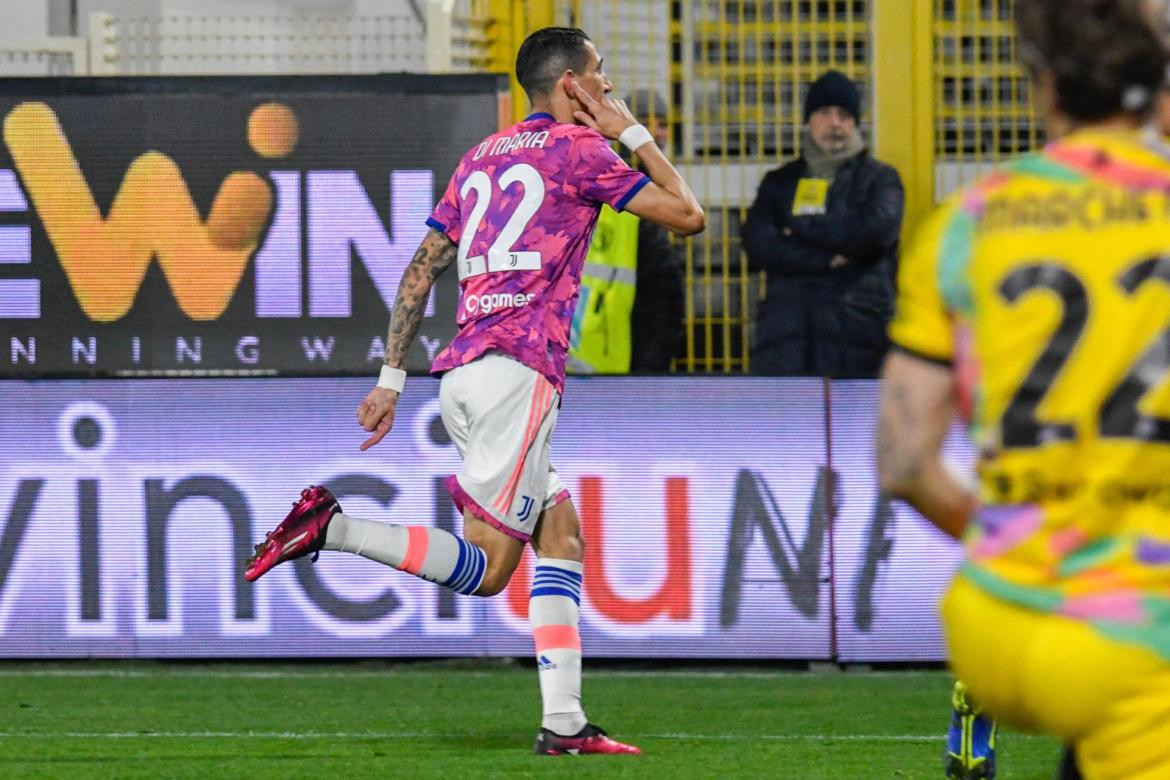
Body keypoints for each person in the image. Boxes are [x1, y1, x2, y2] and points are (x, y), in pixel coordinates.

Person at [243, 26, 703, 755]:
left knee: (562, 534)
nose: (608, 88)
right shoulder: (583, 150)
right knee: (489, 571)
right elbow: (689, 215)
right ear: (574, 87)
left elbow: (422, 268)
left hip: (462, 371)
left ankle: (565, 724)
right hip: (518, 374)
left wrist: (391, 380)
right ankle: (333, 528)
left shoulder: (480, 158)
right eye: (602, 76)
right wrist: (632, 132)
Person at [877, 1, 1170, 778]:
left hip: (998, 624)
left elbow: (903, 462)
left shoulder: (970, 222)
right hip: (1139, 633)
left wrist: (1010, 541)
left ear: (1043, 89)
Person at [741, 69, 904, 377]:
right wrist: (828, 258)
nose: (834, 123)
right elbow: (759, 245)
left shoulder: (880, 180)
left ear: (855, 122)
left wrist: (799, 227)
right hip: (787, 340)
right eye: (824, 112)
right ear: (808, 120)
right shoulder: (780, 182)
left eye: (844, 114)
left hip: (859, 341)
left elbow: (874, 235)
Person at [568, 90, 685, 374]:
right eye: (644, 122)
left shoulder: (660, 188)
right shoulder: (616, 189)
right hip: (599, 357)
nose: (656, 132)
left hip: (611, 354)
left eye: (664, 123)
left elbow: (661, 297)